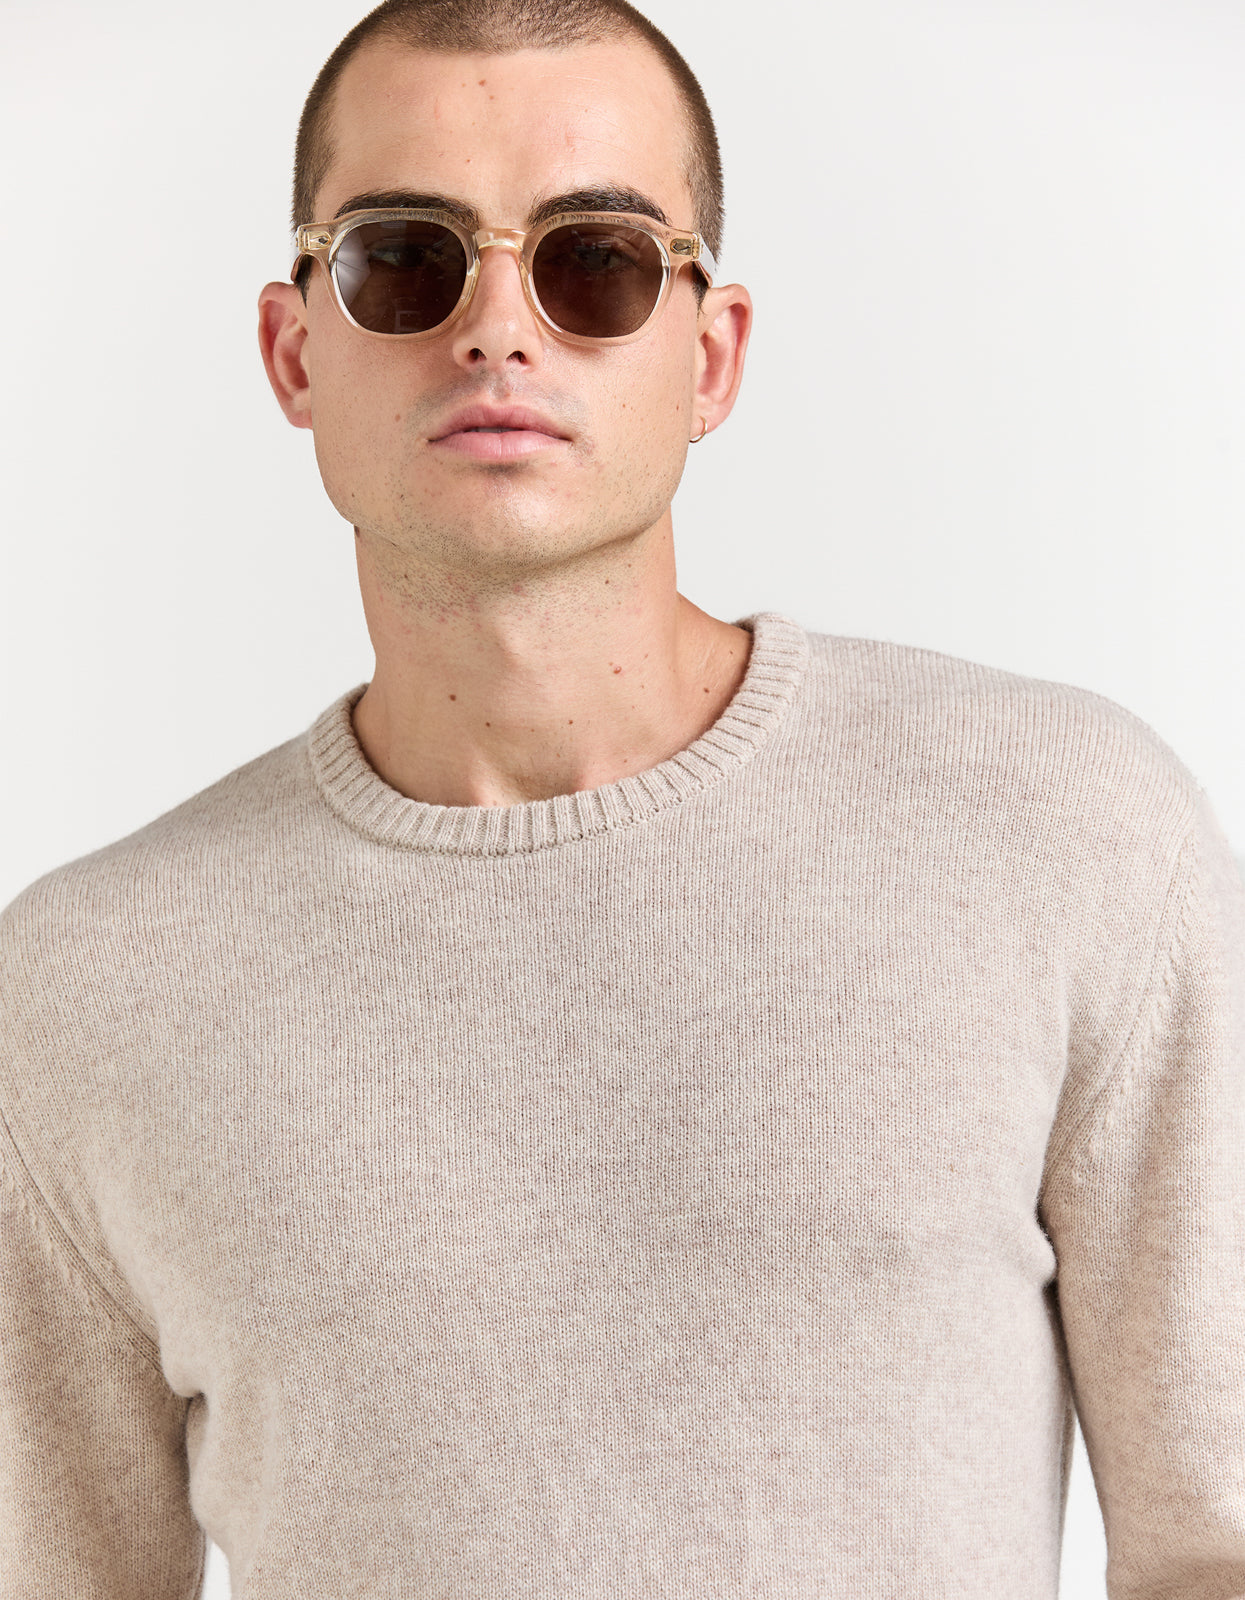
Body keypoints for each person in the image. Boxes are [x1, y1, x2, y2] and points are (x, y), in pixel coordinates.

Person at [1, 0, 1242, 1595]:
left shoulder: (1065, 834)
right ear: (295, 350)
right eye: (403, 260)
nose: (496, 331)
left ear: (707, 355)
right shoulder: (85, 990)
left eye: (595, 262)